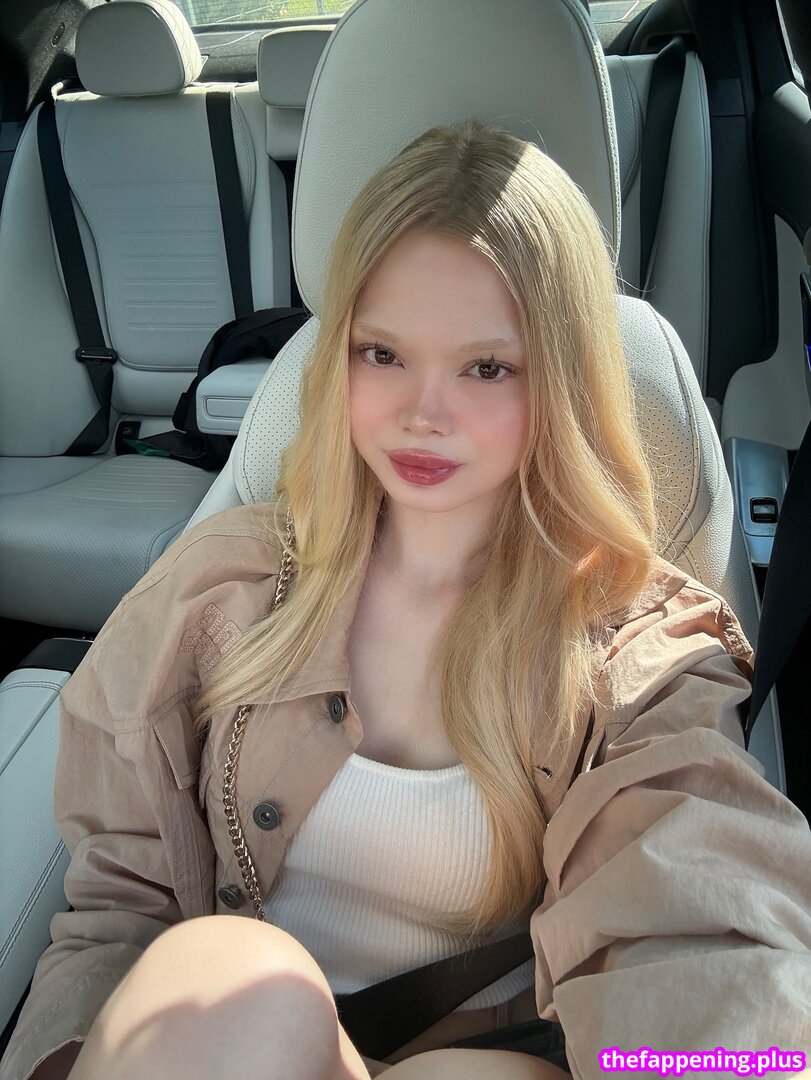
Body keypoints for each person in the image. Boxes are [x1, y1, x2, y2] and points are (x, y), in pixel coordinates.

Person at [3, 119, 810, 1080]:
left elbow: (698, 919)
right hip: (237, 1051)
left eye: (485, 367)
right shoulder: (218, 590)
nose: (422, 413)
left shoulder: (636, 651)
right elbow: (121, 901)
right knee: (226, 975)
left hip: (493, 1054)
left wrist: (710, 1058)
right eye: (382, 354)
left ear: (559, 379)